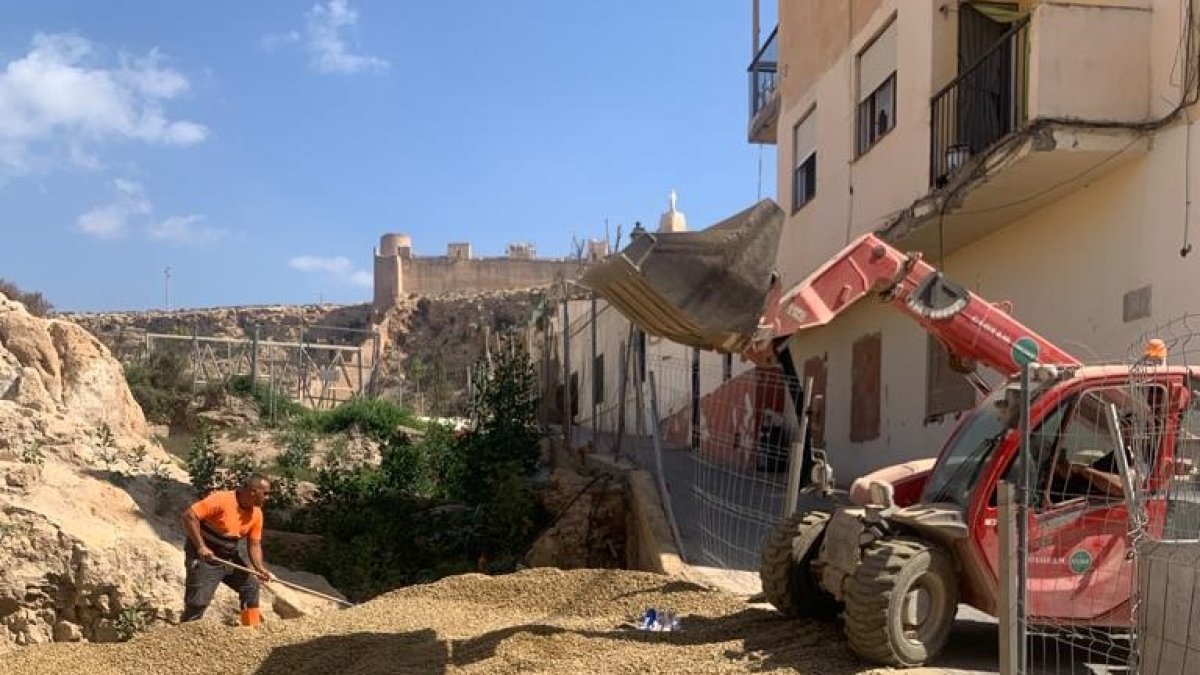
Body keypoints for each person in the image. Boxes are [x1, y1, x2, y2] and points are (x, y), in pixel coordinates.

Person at [179, 473, 274, 626]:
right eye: (266, 493)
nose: (268, 498)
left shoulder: (257, 513)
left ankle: (252, 629)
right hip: (205, 556)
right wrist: (201, 547)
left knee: (250, 585)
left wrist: (259, 568)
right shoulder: (221, 499)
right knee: (197, 602)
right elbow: (189, 516)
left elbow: (254, 544)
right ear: (253, 491)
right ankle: (184, 635)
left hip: (228, 555)